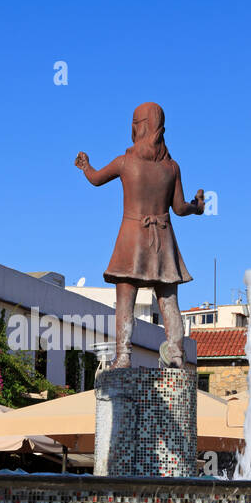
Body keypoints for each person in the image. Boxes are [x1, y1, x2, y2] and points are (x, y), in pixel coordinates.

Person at [75, 102, 205, 367]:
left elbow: (96, 179)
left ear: (138, 127)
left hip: (132, 237)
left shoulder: (125, 163)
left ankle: (123, 355)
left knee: (125, 298)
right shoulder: (171, 168)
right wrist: (197, 207)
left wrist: (85, 166)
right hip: (164, 238)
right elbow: (179, 209)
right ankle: (177, 355)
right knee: (169, 301)